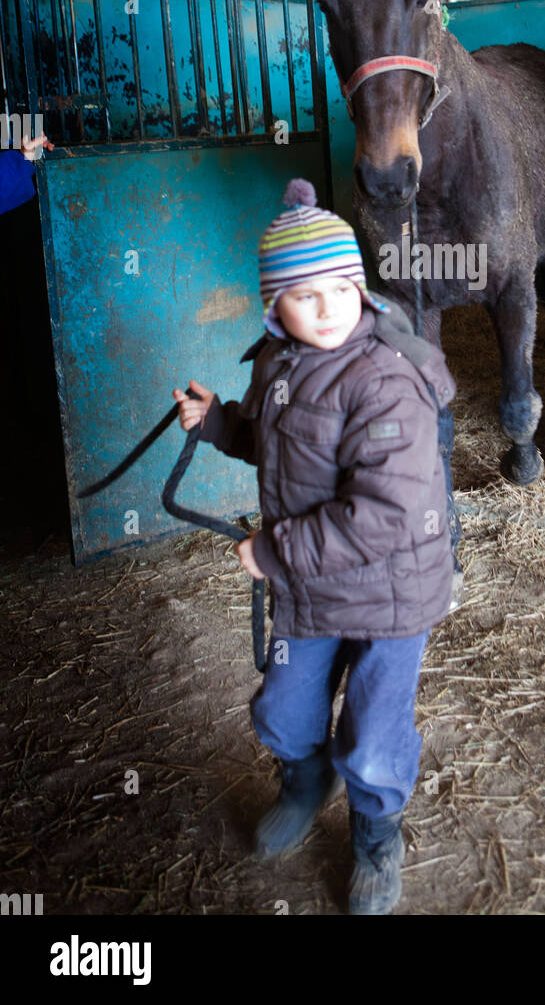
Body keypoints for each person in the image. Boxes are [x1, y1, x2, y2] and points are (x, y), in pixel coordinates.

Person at [172, 177, 457, 915]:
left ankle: (374, 836)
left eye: (339, 287)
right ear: (275, 309)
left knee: (371, 731)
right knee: (285, 711)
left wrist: (273, 552)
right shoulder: (277, 363)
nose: (327, 307)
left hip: (391, 594)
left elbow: (384, 514)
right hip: (314, 589)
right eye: (304, 295)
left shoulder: (384, 379)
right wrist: (215, 423)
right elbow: (274, 442)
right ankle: (305, 781)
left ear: (360, 288)